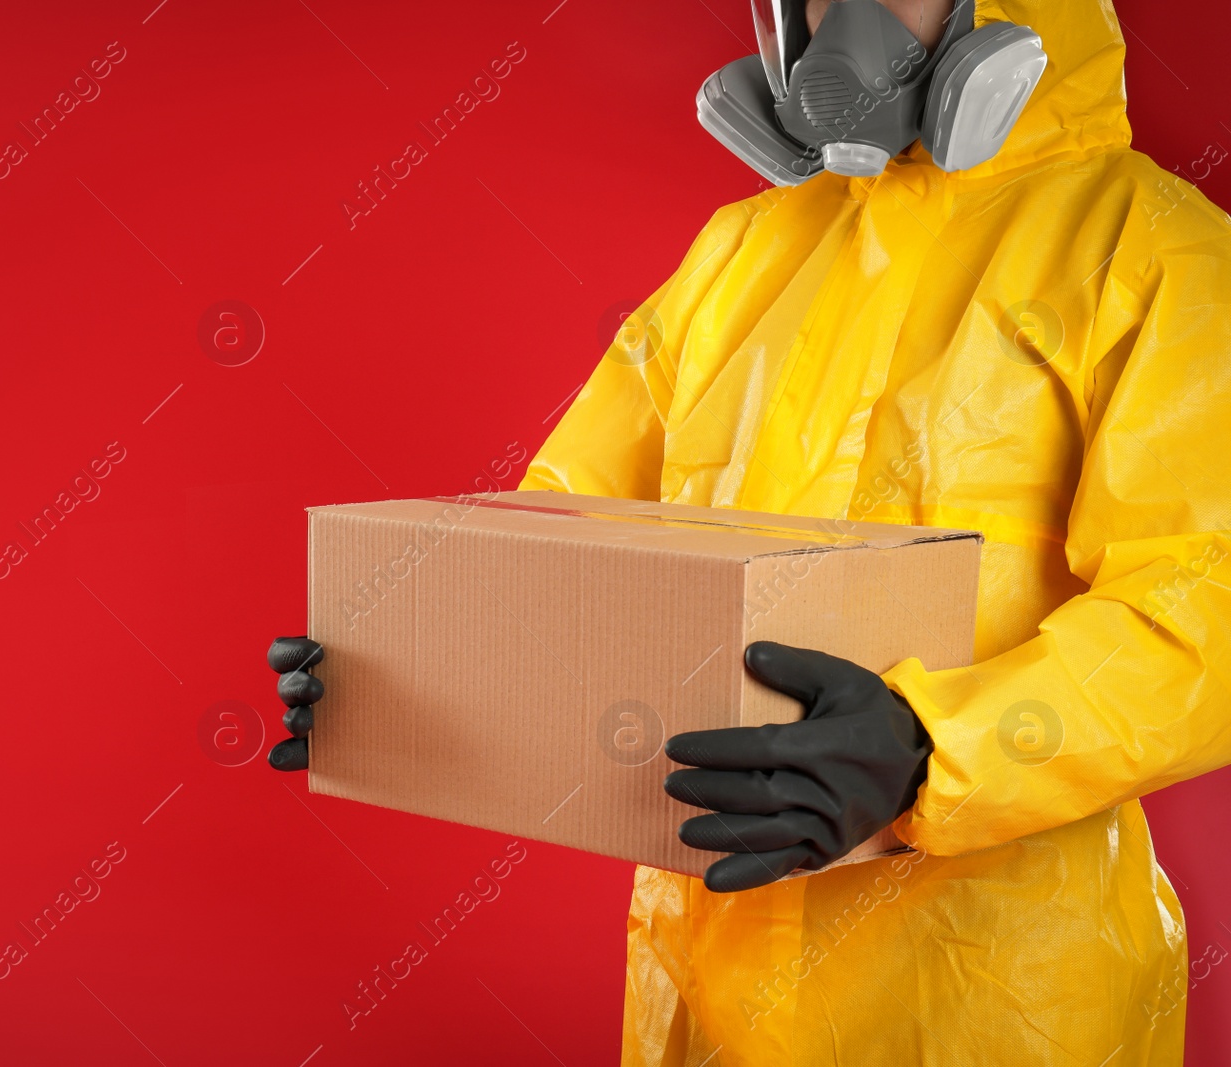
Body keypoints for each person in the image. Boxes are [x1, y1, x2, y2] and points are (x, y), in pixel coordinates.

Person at [270, 0, 1230, 1061]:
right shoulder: (742, 253)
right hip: (706, 963)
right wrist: (416, 660)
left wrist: (931, 746)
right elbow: (570, 533)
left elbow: (1204, 597)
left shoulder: (1155, 253)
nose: (843, 17)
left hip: (995, 993)